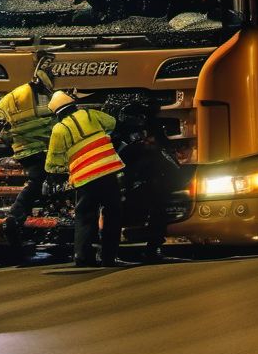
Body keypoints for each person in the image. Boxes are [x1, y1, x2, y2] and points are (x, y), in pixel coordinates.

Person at [44, 91, 128, 267]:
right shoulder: (90, 114)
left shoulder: (60, 129)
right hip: (108, 171)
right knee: (113, 212)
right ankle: (109, 257)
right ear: (73, 104)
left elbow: (53, 161)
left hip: (85, 179)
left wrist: (55, 175)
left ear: (57, 113)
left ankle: (83, 257)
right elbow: (112, 123)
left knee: (85, 216)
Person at [0, 54, 55, 243]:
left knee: (37, 180)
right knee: (40, 180)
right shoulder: (47, 97)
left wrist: (10, 140)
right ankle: (16, 216)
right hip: (42, 150)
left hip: (24, 151)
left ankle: (19, 217)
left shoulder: (12, 96)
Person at [106, 95, 181, 263]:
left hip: (145, 181)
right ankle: (117, 251)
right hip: (135, 181)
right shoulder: (126, 134)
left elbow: (165, 153)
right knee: (122, 214)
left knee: (153, 213)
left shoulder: (144, 131)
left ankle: (150, 249)